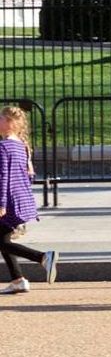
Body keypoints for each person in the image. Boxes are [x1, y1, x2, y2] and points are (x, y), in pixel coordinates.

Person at [0, 105, 57, 294]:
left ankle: (42, 257)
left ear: (9, 122)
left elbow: (2, 176)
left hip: (7, 201)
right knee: (3, 238)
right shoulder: (22, 146)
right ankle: (18, 279)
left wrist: (1, 203)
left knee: (1, 241)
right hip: (20, 200)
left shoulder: (3, 147)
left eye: (0, 118)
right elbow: (29, 176)